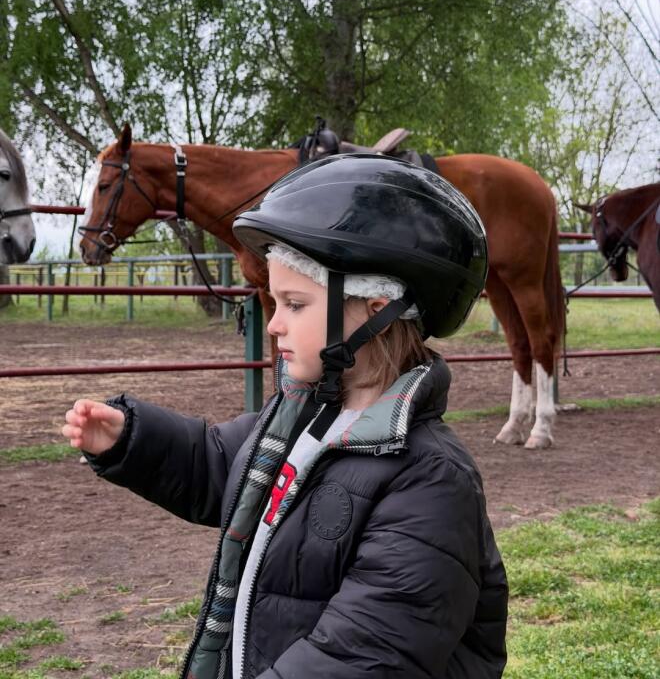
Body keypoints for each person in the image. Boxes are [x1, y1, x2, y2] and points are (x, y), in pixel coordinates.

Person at [62, 154, 508, 679]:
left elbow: (364, 653)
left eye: (294, 304)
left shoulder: (430, 480)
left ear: (377, 310)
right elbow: (219, 464)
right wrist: (132, 439)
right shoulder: (298, 419)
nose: (273, 326)